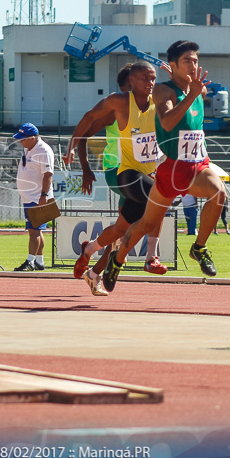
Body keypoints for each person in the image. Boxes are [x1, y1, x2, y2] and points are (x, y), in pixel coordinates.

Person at [103, 40, 226, 292]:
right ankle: (117, 260)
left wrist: (193, 91)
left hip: (198, 164)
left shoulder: (200, 90)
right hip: (172, 170)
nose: (194, 65)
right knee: (146, 225)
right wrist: (189, 94)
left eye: (195, 60)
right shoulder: (162, 91)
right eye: (187, 61)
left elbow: (196, 103)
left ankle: (199, 247)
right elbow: (168, 123)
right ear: (173, 65)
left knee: (219, 193)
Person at [64, 61, 166, 296]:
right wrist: (84, 166)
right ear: (129, 84)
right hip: (118, 171)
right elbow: (86, 127)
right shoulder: (115, 108)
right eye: (142, 79)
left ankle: (91, 259)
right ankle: (150, 256)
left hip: (145, 174)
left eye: (152, 79)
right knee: (159, 196)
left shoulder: (156, 103)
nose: (149, 84)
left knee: (123, 228)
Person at [13, 123, 54, 272]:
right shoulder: (28, 147)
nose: (20, 141)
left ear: (32, 138)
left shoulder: (44, 151)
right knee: (37, 230)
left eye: (23, 139)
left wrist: (43, 195)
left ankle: (30, 261)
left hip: (38, 197)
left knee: (34, 230)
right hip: (29, 197)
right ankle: (39, 261)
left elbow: (48, 174)